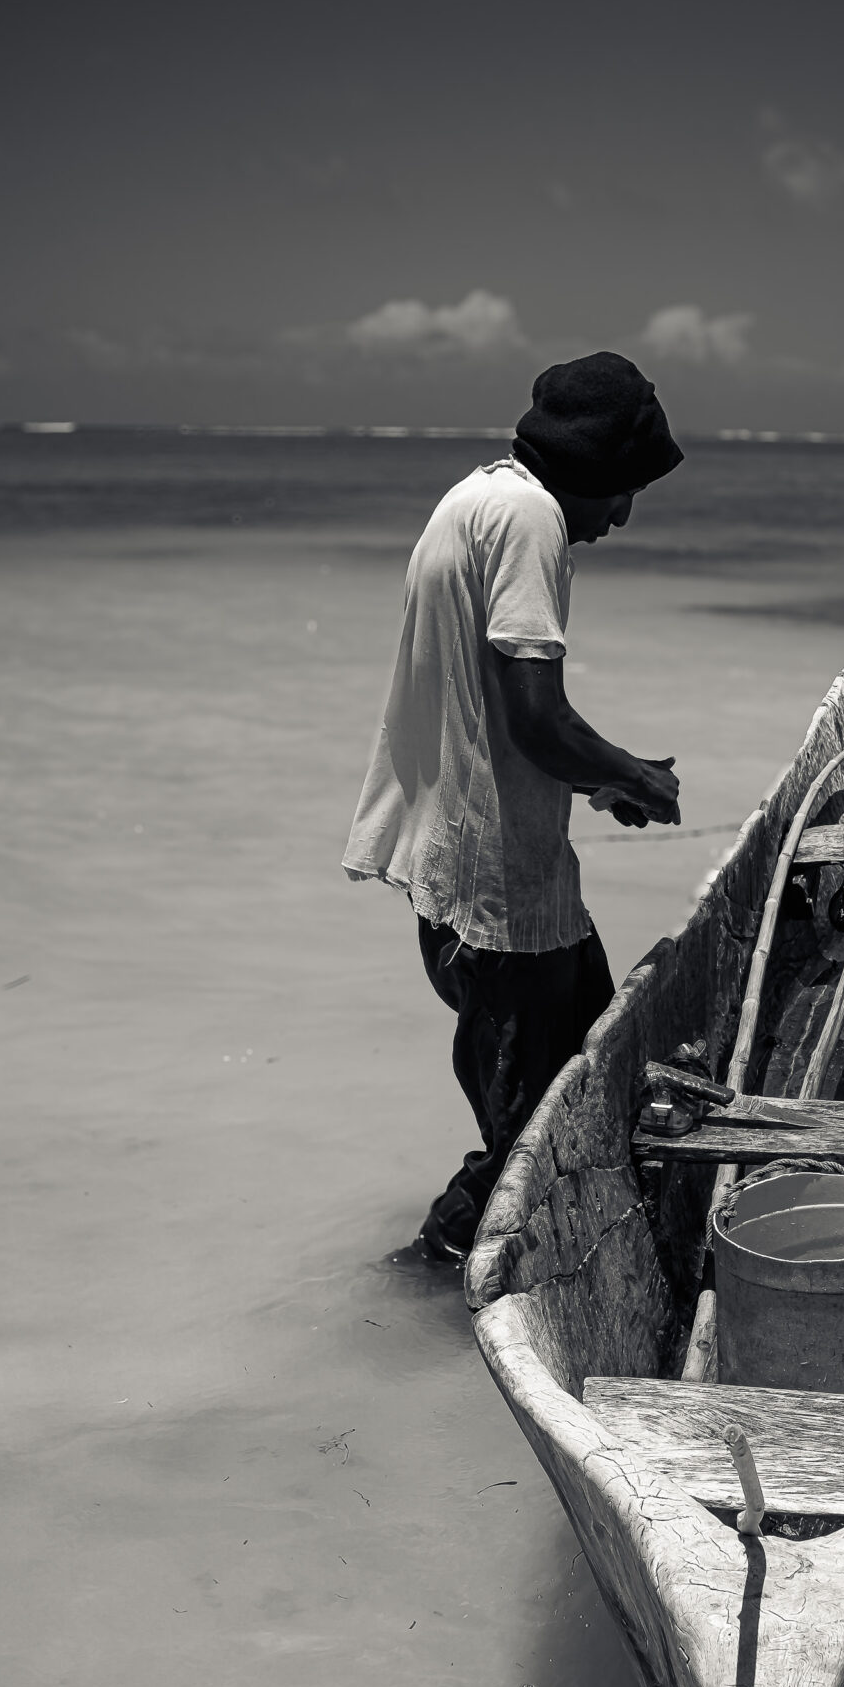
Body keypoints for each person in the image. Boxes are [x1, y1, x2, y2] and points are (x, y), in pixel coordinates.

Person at [342, 351, 685, 1268]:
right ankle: (424, 1283)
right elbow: (534, 719)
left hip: (479, 872)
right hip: (498, 894)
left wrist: (595, 777)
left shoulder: (475, 499)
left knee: (592, 1083)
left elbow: (489, 716)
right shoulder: (531, 519)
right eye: (622, 490)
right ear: (588, 470)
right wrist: (639, 778)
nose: (621, 515)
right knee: (535, 1142)